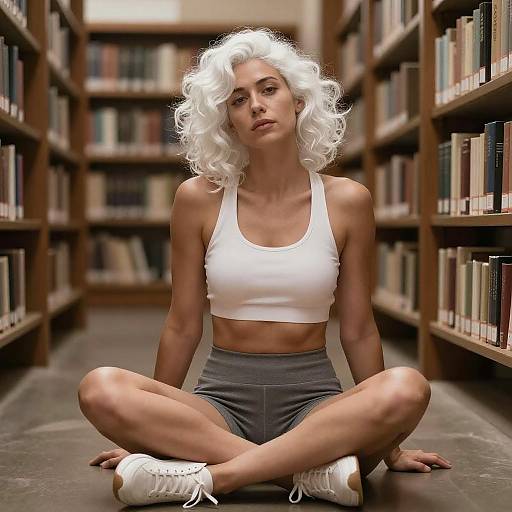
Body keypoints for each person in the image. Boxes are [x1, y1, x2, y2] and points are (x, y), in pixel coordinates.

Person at [78, 27, 451, 509]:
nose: (255, 105)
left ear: (298, 101)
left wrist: (392, 442)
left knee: (407, 388)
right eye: (237, 100)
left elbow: (358, 330)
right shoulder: (197, 199)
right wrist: (148, 428)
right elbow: (182, 325)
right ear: (226, 122)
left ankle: (214, 477)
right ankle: (306, 475)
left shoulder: (347, 201)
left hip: (316, 408)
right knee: (100, 387)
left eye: (268, 89)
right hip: (217, 406)